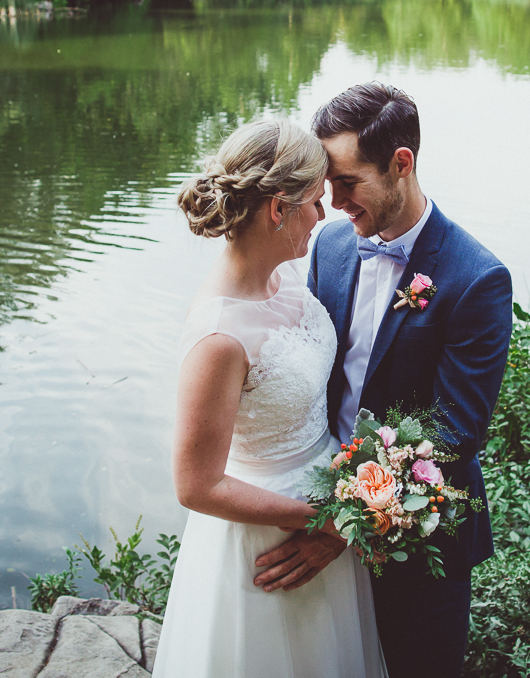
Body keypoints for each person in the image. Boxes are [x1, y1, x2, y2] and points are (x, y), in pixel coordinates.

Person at [253, 83, 513, 678]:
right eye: (326, 183)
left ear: (402, 164)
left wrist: (347, 526)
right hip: (316, 509)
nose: (332, 199)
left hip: (421, 536)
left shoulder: (477, 279)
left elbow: (454, 433)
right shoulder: (333, 247)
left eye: (347, 182)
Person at [153, 119, 386, 678]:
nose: (323, 214)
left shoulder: (284, 279)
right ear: (277, 210)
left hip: (324, 511)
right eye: (312, 201)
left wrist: (341, 513)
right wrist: (324, 518)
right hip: (269, 538)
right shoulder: (218, 336)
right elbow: (196, 484)